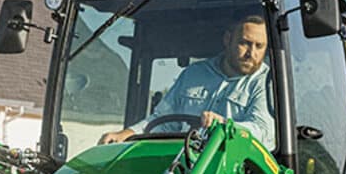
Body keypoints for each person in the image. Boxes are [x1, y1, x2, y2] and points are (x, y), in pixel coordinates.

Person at [98, 15, 276, 149]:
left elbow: (261, 130)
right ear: (228, 40)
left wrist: (223, 125)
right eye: (245, 43)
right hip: (182, 163)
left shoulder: (265, 82)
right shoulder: (193, 74)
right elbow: (162, 120)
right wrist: (127, 134)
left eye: (259, 46)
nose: (251, 53)